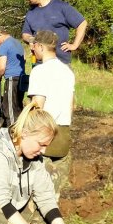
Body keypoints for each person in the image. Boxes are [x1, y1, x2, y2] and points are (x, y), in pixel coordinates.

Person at [27, 31, 75, 197]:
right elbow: (71, 105)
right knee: (55, 190)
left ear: (40, 46)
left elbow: (37, 106)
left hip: (44, 135)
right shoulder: (68, 72)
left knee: (38, 189)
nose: (32, 51)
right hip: (64, 134)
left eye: (34, 47)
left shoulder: (39, 71)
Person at [21, 0, 87, 65]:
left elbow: (82, 23)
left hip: (61, 64)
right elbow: (25, 34)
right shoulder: (31, 13)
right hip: (39, 64)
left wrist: (74, 45)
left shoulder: (61, 7)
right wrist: (32, 39)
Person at [0, 28, 27, 127]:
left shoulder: (4, 46)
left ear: (0, 34)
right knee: (18, 106)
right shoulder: (18, 43)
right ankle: (21, 129)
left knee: (10, 109)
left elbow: (2, 68)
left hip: (12, 79)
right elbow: (24, 59)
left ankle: (13, 135)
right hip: (22, 78)